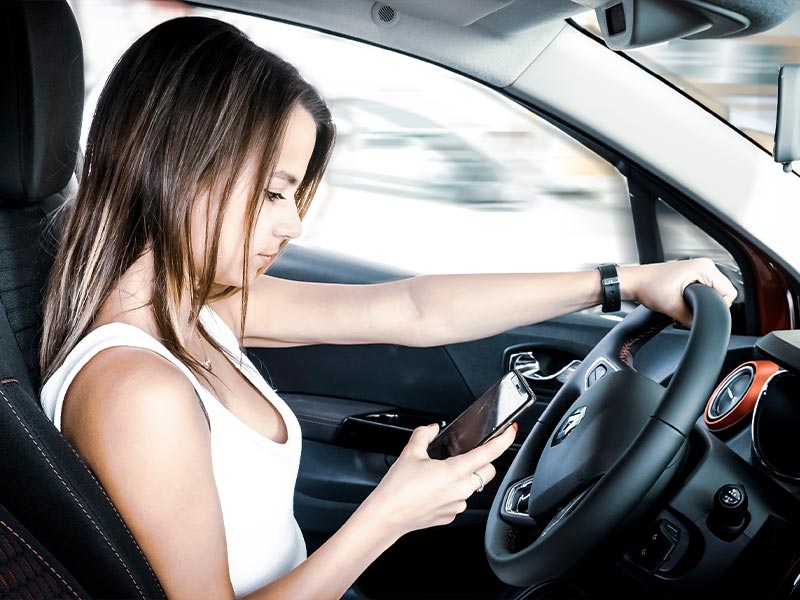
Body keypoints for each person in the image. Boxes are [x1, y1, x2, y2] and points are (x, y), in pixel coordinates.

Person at [38, 15, 737, 600]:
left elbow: (412, 310)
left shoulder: (193, 310)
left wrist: (621, 283)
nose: (293, 226)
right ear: (182, 166)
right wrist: (388, 517)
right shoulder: (139, 390)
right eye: (275, 192)